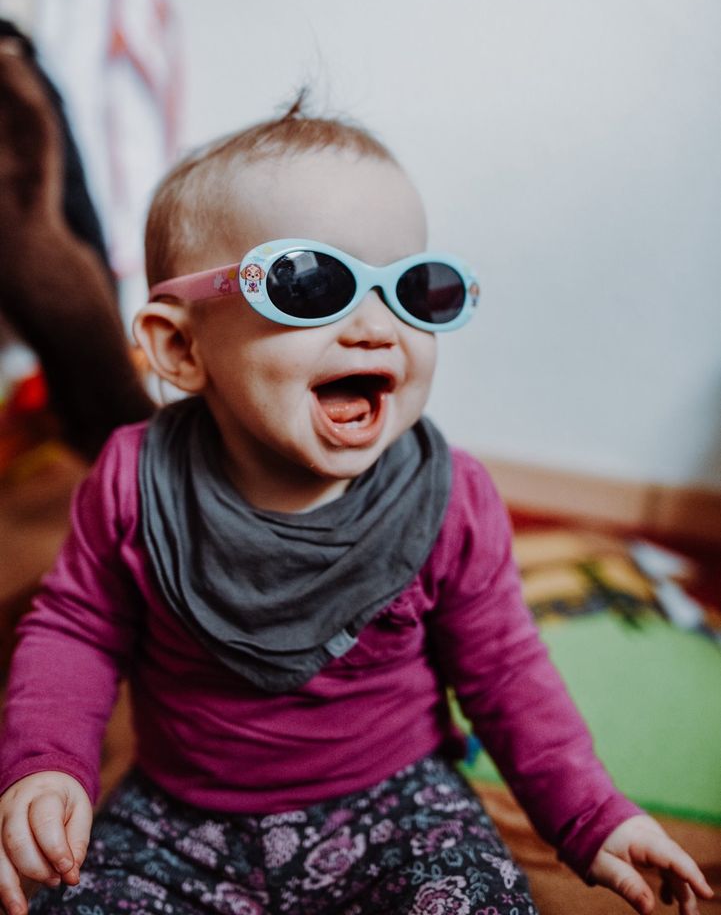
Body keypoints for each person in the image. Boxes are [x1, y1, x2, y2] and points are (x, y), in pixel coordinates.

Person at [0, 99, 713, 915]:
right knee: (65, 898)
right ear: (182, 348)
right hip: (176, 818)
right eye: (312, 283)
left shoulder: (448, 501)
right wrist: (45, 764)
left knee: (478, 900)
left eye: (416, 289)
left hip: (396, 808)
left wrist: (590, 816)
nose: (375, 326)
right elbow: (75, 630)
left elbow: (504, 669)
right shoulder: (132, 483)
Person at [0, 20, 154, 461]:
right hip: (14, 63)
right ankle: (116, 442)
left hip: (9, 71)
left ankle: (125, 445)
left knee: (36, 257)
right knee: (54, 242)